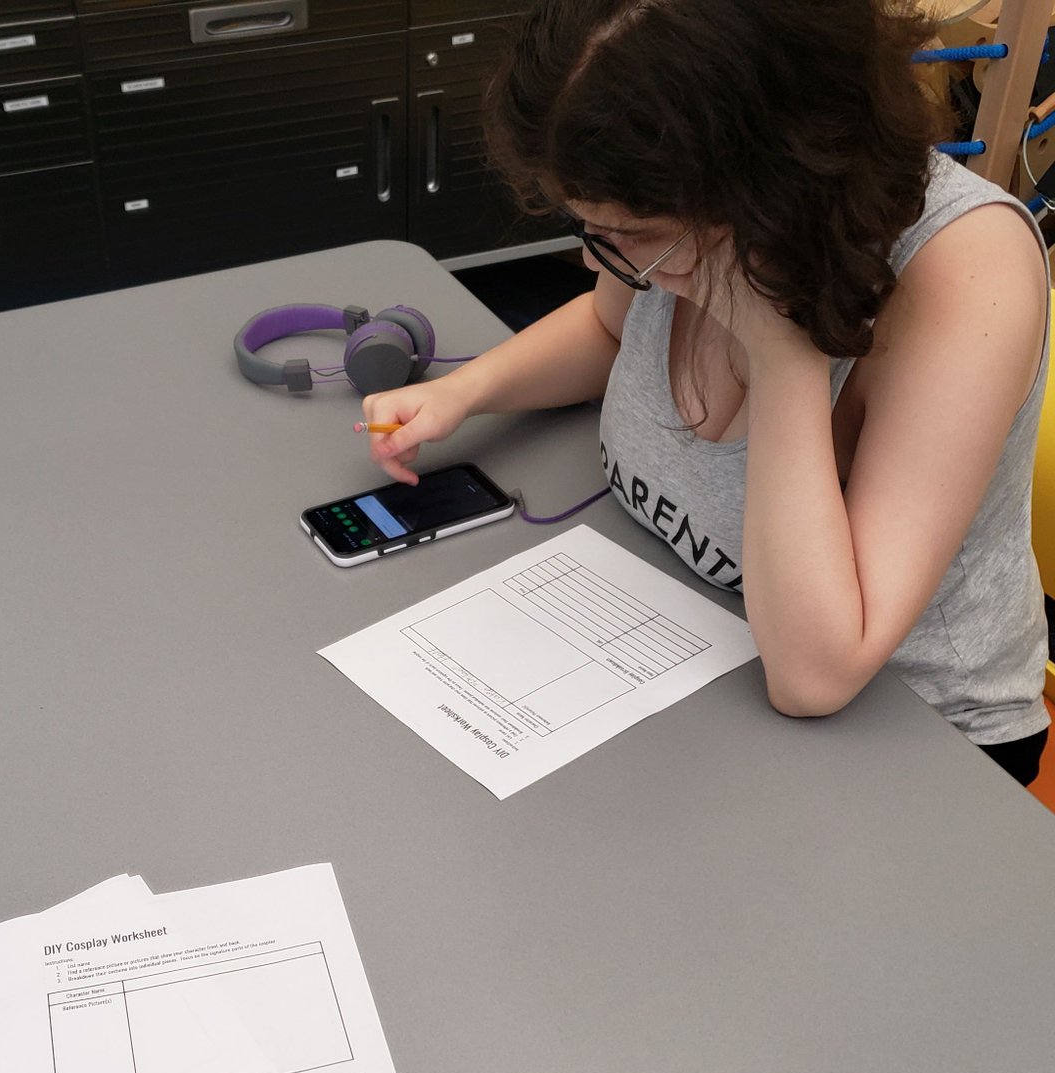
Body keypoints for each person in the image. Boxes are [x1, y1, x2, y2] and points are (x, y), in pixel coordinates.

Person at [361, 0, 1051, 785]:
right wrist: (466, 391)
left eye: (633, 236)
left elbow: (817, 677)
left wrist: (781, 351)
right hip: (692, 646)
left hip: (916, 746)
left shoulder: (967, 275)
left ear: (767, 195)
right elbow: (610, 328)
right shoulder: (669, 224)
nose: (599, 262)